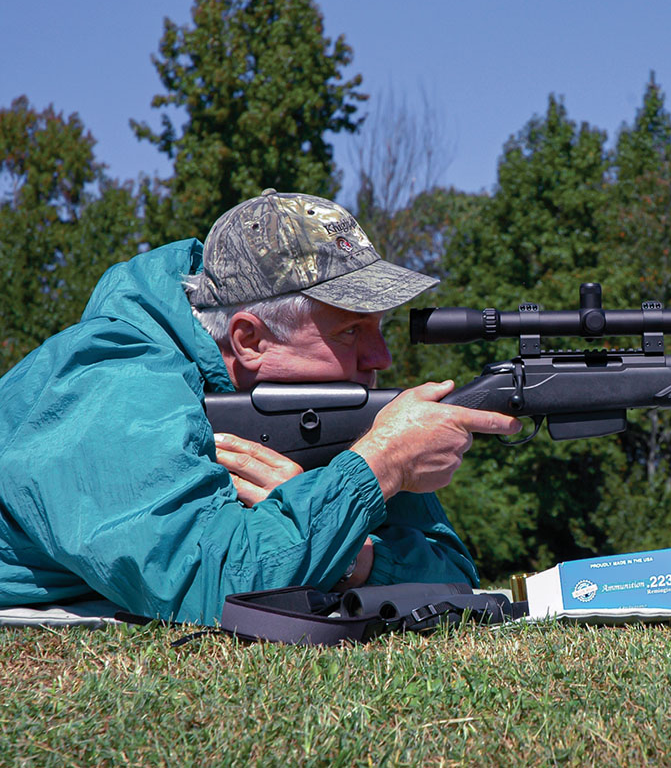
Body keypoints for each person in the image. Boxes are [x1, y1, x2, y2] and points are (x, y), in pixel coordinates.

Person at [0, 189, 522, 624]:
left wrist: (355, 556)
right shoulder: (112, 382)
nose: (380, 356)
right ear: (250, 339)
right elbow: (217, 585)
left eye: (378, 327)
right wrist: (377, 466)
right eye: (350, 331)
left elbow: (454, 579)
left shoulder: (329, 412)